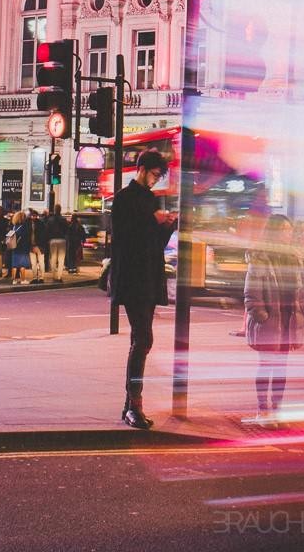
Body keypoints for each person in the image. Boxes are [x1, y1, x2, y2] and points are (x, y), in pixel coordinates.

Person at [111, 150, 177, 429]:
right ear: (142, 169)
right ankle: (133, 406)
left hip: (149, 277)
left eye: (159, 177)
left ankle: (129, 405)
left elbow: (153, 243)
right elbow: (126, 237)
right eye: (154, 175)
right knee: (143, 340)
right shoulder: (124, 199)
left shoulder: (151, 199)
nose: (156, 181)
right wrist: (155, 221)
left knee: (140, 340)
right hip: (132, 278)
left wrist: (167, 227)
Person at [244, 214, 304, 418]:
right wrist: (262, 316)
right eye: (283, 230)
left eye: (289, 230)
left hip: (288, 320)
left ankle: (277, 409)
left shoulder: (293, 258)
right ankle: (263, 410)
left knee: (281, 369)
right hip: (270, 322)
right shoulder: (260, 258)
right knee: (266, 366)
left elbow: (299, 291)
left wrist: (300, 313)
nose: (287, 234)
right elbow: (251, 294)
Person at [46, 205, 69, 284]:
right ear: (60, 210)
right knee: (61, 259)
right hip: (62, 240)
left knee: (53, 259)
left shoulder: (50, 220)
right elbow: (67, 230)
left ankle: (54, 276)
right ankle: (59, 277)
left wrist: (48, 239)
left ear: (54, 210)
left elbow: (47, 230)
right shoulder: (64, 220)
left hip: (53, 240)